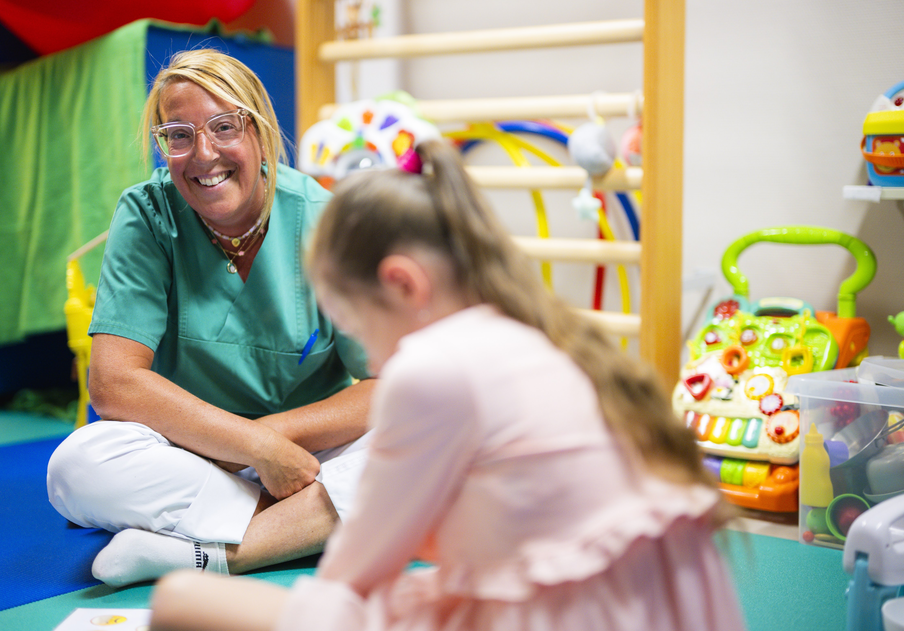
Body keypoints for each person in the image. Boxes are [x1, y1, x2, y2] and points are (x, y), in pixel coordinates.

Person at [146, 139, 747, 631]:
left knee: (181, 601)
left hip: (565, 612)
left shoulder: (431, 367)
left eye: (358, 325)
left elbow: (353, 575)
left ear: (403, 286)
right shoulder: (536, 337)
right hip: (641, 600)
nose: (370, 355)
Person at [46, 48, 376, 587]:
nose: (203, 154)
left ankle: (218, 553)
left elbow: (387, 387)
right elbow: (113, 384)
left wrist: (273, 440)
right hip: (193, 458)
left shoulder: (330, 222)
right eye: (178, 134)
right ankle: (306, 525)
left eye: (225, 127)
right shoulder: (147, 215)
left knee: (433, 430)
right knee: (75, 467)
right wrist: (252, 449)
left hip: (309, 456)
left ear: (260, 131)